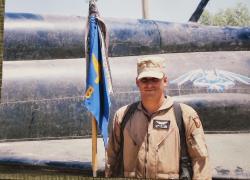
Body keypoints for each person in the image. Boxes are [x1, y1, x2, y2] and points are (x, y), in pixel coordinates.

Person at [105, 56, 212, 179]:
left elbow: (200, 161)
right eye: (144, 80)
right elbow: (111, 158)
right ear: (137, 82)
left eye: (155, 79)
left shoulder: (185, 115)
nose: (149, 84)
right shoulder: (123, 116)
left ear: (165, 81)